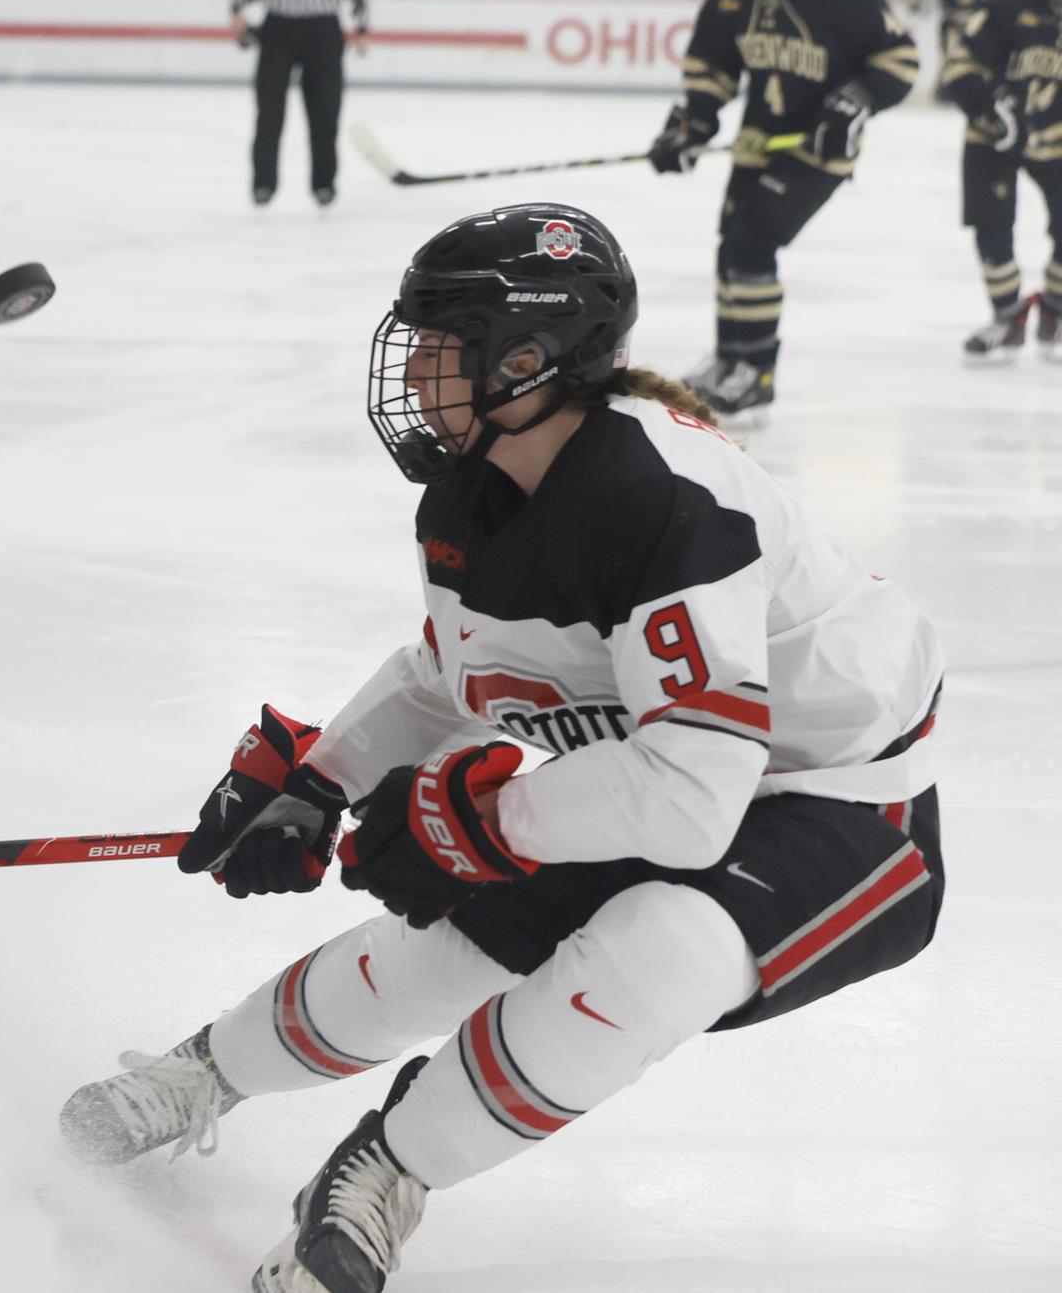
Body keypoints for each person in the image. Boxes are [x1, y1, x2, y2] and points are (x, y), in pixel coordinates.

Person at [59, 204, 946, 1293]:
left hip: (845, 807)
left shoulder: (659, 497)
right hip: (675, 765)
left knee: (656, 946)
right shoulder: (473, 495)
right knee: (461, 942)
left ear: (527, 357)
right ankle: (209, 1071)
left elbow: (690, 800)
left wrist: (478, 820)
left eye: (441, 342)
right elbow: (459, 677)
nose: (415, 367)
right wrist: (320, 780)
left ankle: (384, 1170)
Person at [646, 0, 918, 418]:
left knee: (752, 240)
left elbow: (902, 59)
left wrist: (856, 100)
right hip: (760, 140)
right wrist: (692, 126)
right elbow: (711, 65)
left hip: (818, 149)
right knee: (731, 242)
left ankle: (757, 370)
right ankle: (730, 355)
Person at [941, 0, 1062, 359]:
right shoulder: (1006, 6)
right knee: (991, 226)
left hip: (1056, 141)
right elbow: (958, 67)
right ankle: (1007, 316)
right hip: (992, 137)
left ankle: (1056, 309)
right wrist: (990, 108)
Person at [230, 0, 370, 208]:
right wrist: (237, 9)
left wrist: (362, 23)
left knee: (325, 112)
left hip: (323, 26)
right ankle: (264, 182)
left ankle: (324, 183)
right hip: (278, 26)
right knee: (269, 111)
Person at [920, 0, 1010, 104]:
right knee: (950, 56)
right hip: (952, 21)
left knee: (976, 57)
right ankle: (946, 89)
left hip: (975, 21)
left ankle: (975, 89)